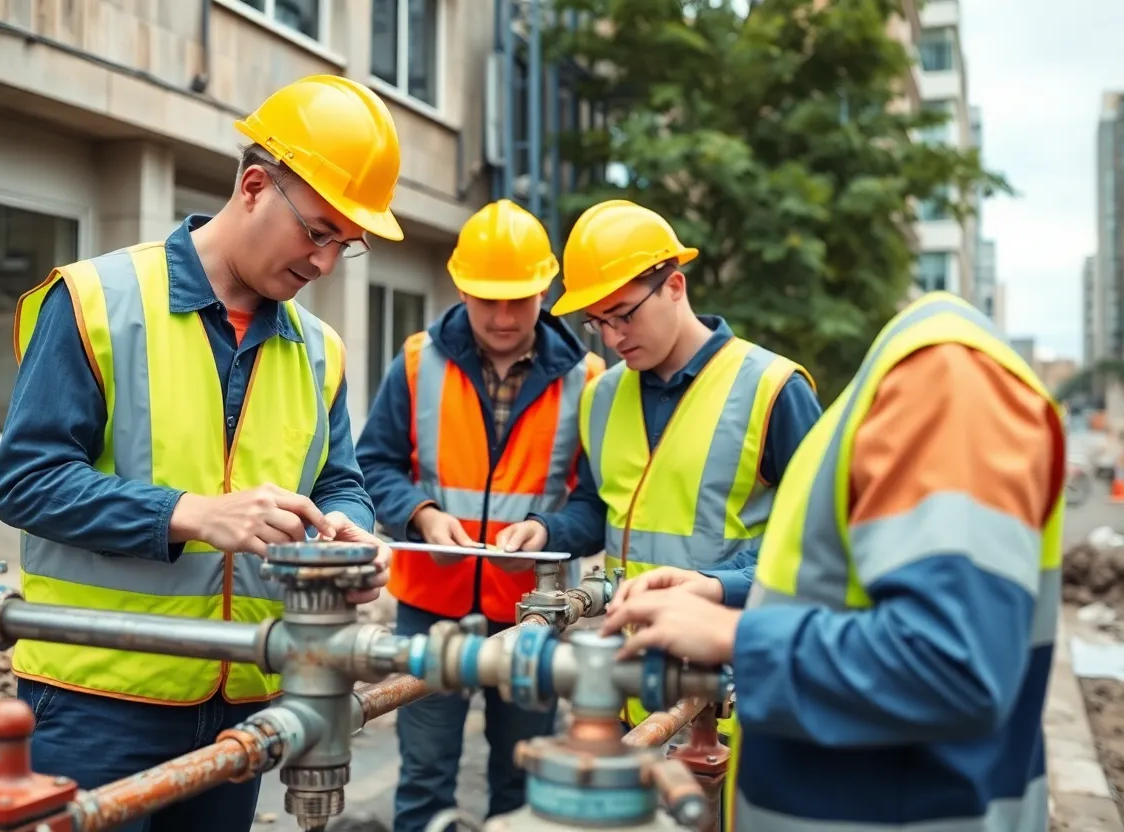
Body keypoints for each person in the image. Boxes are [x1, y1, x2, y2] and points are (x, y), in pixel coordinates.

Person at [0, 75, 401, 832]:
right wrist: (190, 513)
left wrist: (351, 530)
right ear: (252, 186)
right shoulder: (95, 300)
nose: (326, 264)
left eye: (348, 244)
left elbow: (339, 480)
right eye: (317, 232)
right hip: (95, 692)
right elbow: (27, 482)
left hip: (245, 693)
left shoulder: (322, 351)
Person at [602, 291, 1065, 832]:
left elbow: (952, 663)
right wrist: (718, 589)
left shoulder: (945, 376)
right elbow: (834, 584)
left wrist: (736, 636)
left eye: (624, 314)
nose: (611, 338)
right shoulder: (886, 391)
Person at [496, 199, 822, 727]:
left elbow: (820, 545)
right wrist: (545, 531)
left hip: (736, 692)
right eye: (596, 321)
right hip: (634, 689)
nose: (612, 336)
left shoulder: (772, 389)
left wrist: (719, 585)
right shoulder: (601, 396)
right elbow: (598, 506)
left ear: (675, 286)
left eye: (623, 314)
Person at [355, 198, 606, 832]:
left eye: (518, 299)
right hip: (429, 605)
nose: (502, 315)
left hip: (533, 612)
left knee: (520, 777)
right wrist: (421, 514)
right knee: (425, 773)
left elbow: (597, 504)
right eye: (486, 298)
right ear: (461, 286)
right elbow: (374, 463)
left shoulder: (591, 379)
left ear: (545, 289)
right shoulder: (416, 361)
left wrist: (550, 531)